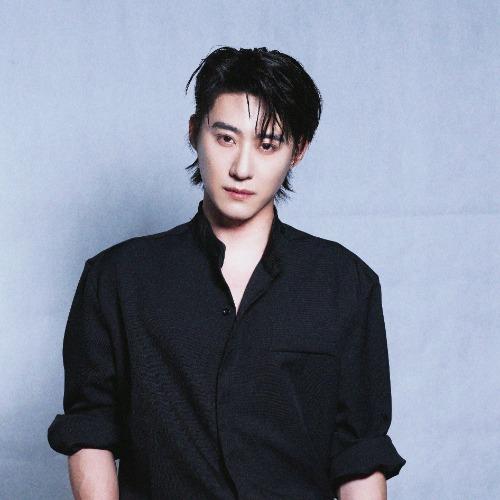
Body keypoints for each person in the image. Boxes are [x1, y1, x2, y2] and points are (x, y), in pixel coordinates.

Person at [47, 46, 406, 499]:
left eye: (267, 144)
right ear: (194, 132)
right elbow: (91, 430)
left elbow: (359, 455)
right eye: (226, 139)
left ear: (297, 151)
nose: (241, 168)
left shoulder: (345, 284)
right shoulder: (117, 279)